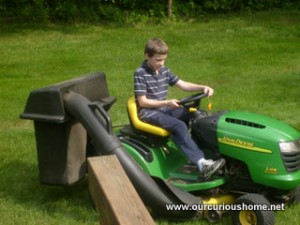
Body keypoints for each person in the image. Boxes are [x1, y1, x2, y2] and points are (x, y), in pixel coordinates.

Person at [133, 38, 225, 180]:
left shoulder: (163, 70)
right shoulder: (140, 73)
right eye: (158, 60)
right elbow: (143, 102)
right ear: (147, 56)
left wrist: (203, 87)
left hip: (163, 109)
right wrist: (167, 102)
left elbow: (182, 85)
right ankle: (201, 163)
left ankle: (206, 154)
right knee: (178, 125)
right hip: (148, 112)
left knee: (197, 115)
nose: (161, 63)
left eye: (164, 59)